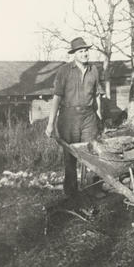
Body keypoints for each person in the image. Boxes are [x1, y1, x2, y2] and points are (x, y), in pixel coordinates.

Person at [45, 37, 104, 197]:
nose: (84, 54)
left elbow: (97, 95)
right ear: (74, 54)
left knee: (93, 151)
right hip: (68, 117)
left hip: (89, 116)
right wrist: (50, 124)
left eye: (86, 51)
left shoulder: (94, 70)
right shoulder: (64, 71)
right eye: (81, 51)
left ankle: (95, 187)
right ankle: (71, 191)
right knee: (71, 155)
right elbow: (57, 97)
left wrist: (99, 117)